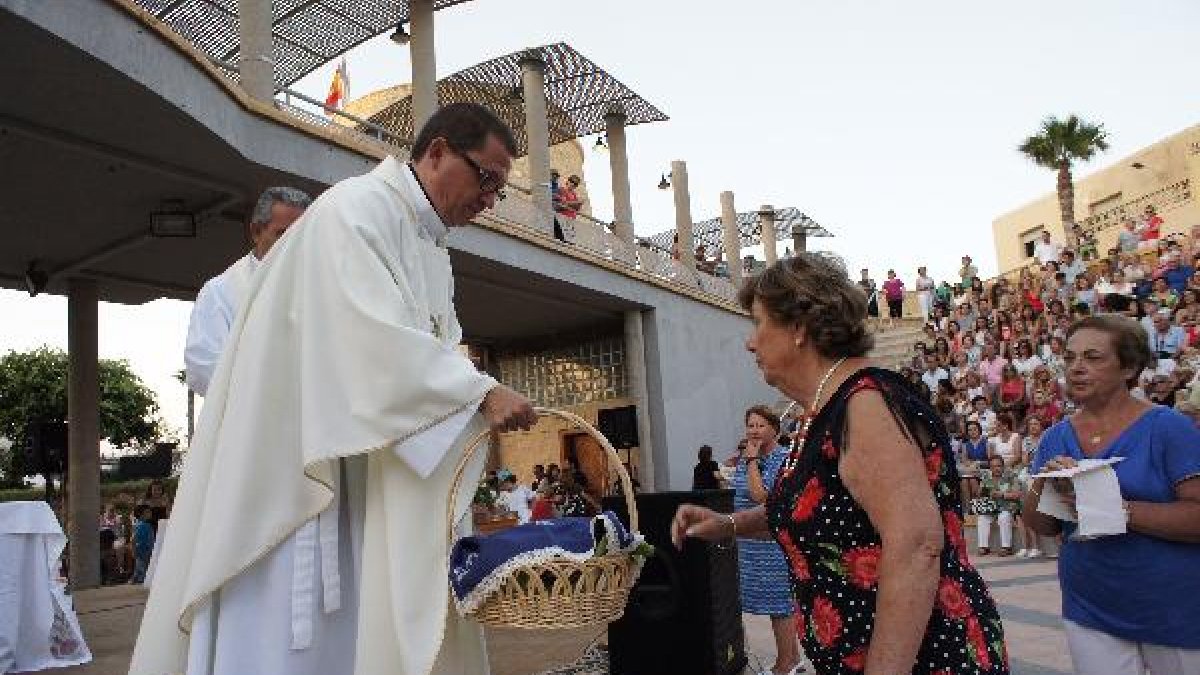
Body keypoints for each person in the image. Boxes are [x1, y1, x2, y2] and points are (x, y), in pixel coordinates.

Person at [131, 103, 538, 675]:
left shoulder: (430, 248)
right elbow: (367, 338)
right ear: (439, 151)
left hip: (361, 462)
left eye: (500, 187)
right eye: (487, 178)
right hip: (294, 468)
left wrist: (465, 388)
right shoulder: (356, 211)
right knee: (284, 634)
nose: (490, 198)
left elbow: (432, 348)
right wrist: (479, 393)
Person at [672, 253, 1008, 674]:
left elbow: (916, 546)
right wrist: (730, 524)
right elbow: (819, 506)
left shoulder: (862, 405)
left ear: (798, 327)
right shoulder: (824, 410)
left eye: (758, 322)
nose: (750, 341)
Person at [1023, 315, 1200, 674]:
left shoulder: (1169, 427)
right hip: (1091, 606)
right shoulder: (1055, 437)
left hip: (1174, 607)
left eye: (1093, 357)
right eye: (1070, 358)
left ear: (1130, 367)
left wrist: (1111, 506)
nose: (1076, 368)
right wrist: (1046, 484)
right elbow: (1043, 526)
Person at [184, 186, 312, 396]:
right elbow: (203, 368)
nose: (292, 245)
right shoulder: (220, 292)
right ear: (255, 232)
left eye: (300, 236)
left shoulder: (317, 286)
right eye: (282, 234)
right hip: (247, 420)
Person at [732, 405, 800, 675]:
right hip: (749, 546)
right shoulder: (747, 458)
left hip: (771, 545)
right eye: (750, 425)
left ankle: (785, 665)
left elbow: (763, 498)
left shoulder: (783, 458)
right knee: (774, 606)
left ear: (775, 428)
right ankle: (793, 660)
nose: (754, 430)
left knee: (779, 607)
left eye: (761, 425)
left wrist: (750, 462)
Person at [975, 456, 1021, 556]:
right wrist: (983, 492)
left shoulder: (1011, 476)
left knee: (1003, 517)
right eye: (993, 466)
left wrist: (1002, 494)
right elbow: (979, 494)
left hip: (1007, 507)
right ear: (990, 468)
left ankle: (1006, 547)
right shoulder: (986, 477)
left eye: (999, 466)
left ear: (1003, 466)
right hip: (991, 508)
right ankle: (983, 547)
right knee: (982, 518)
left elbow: (1017, 494)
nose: (996, 468)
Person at [131, 505, 155, 584]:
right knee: (142, 567)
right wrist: (133, 551)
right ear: (141, 515)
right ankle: (139, 580)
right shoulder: (142, 525)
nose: (150, 513)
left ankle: (136, 579)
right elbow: (133, 540)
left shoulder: (145, 525)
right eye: (147, 512)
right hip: (143, 550)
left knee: (141, 566)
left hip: (146, 550)